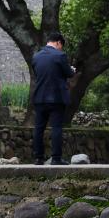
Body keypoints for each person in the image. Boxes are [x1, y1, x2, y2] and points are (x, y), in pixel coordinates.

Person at [31, 31, 75, 166]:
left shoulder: (36, 57)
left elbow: (39, 74)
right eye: (61, 45)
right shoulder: (60, 55)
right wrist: (72, 69)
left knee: (39, 128)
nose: (61, 48)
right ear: (58, 42)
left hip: (39, 97)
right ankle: (56, 158)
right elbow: (68, 73)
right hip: (56, 98)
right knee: (56, 127)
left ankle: (38, 158)